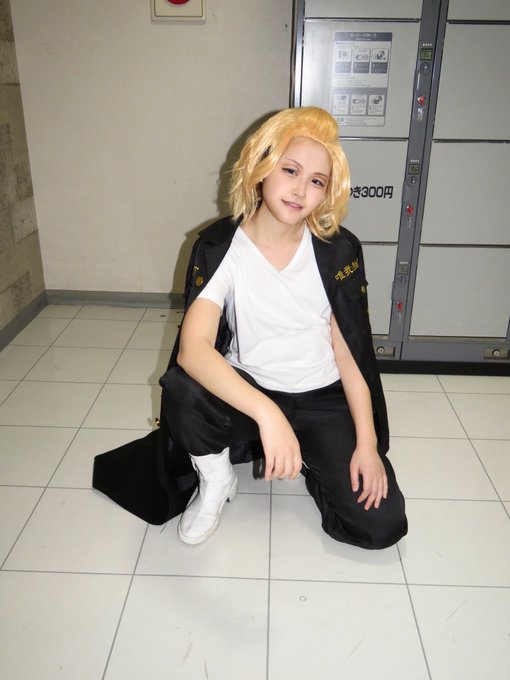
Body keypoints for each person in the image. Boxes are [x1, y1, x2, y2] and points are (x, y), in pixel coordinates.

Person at [93, 106, 407, 550]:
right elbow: (193, 350)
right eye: (290, 170)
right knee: (183, 389)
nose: (300, 190)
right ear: (261, 167)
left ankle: (312, 459)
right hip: (251, 388)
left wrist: (367, 444)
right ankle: (217, 480)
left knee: (380, 527)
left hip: (323, 396)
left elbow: (350, 353)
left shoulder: (337, 251)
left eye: (317, 181)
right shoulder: (222, 247)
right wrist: (268, 414)